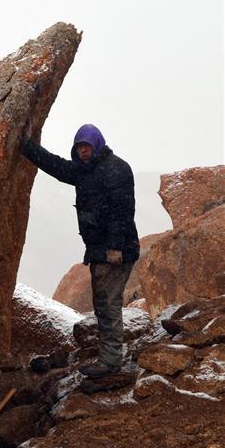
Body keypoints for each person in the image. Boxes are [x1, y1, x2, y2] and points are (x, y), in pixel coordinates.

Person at [21, 123, 140, 377]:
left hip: (116, 251)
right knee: (103, 304)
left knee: (108, 304)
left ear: (97, 145)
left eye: (86, 147)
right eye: (79, 148)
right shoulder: (84, 171)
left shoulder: (116, 169)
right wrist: (27, 146)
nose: (83, 152)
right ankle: (110, 356)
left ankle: (110, 362)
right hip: (99, 251)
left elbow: (123, 211)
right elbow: (56, 166)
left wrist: (115, 247)